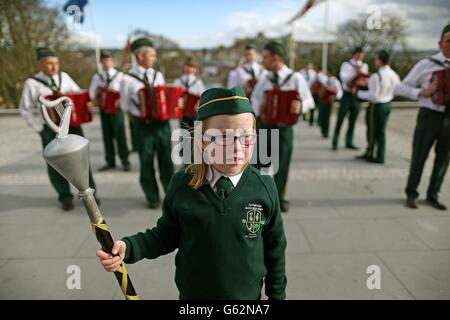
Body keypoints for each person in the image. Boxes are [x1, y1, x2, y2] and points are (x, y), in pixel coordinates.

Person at [96, 86, 287, 300]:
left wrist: (277, 296)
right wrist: (128, 247)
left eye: (247, 137)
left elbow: (275, 249)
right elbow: (167, 234)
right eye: (223, 137)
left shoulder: (264, 187)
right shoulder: (182, 184)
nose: (237, 148)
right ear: (202, 140)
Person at [19, 47, 98, 211]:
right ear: (40, 64)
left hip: (73, 125)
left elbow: (78, 94)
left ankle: (90, 193)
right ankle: (65, 197)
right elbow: (25, 109)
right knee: (56, 164)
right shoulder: (32, 83)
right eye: (49, 64)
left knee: (82, 159)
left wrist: (86, 103)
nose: (54, 67)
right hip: (49, 129)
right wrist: (39, 128)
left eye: (56, 63)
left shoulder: (64, 77)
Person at [251, 40, 315, 212]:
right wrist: (260, 107)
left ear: (276, 58)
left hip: (284, 128)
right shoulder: (264, 79)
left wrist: (300, 106)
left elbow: (309, 100)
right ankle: (257, 195)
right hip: (264, 125)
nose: (262, 61)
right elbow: (255, 99)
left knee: (282, 163)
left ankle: (279, 197)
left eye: (265, 57)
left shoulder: (295, 78)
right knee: (259, 161)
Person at [395, 24, 450, 210]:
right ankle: (412, 192)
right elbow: (400, 87)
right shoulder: (426, 64)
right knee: (420, 155)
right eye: (449, 40)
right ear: (440, 43)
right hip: (429, 116)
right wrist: (422, 92)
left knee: (444, 158)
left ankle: (433, 194)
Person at [120, 38, 174, 209]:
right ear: (141, 56)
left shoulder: (158, 75)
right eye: (152, 55)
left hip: (162, 124)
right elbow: (125, 106)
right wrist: (139, 120)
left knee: (167, 160)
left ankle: (170, 193)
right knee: (146, 160)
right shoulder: (127, 79)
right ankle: (152, 196)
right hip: (143, 125)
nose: (154, 59)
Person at [355, 50, 400, 164]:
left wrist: (358, 93)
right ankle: (379, 154)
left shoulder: (377, 76)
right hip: (387, 103)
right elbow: (397, 90)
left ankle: (371, 153)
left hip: (377, 105)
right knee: (381, 131)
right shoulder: (394, 74)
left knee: (372, 130)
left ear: (380, 60)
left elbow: (373, 96)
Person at [89, 50, 130, 172]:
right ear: (101, 62)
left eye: (108, 61)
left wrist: (120, 98)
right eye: (103, 61)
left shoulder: (120, 76)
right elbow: (91, 93)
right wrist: (97, 93)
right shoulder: (97, 77)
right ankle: (110, 161)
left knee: (120, 135)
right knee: (107, 136)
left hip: (117, 110)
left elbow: (126, 92)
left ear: (111, 61)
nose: (106, 63)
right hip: (104, 109)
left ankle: (125, 161)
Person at [332, 47, 369, 150]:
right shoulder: (346, 65)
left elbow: (364, 79)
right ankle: (335, 140)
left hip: (357, 96)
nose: (360, 56)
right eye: (359, 54)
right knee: (341, 118)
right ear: (355, 54)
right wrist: (355, 73)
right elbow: (344, 78)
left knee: (353, 120)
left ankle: (349, 141)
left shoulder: (364, 66)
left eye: (362, 54)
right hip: (347, 95)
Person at [173, 56, 206, 130]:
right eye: (188, 66)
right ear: (184, 67)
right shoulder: (177, 82)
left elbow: (204, 96)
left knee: (196, 136)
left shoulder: (198, 83)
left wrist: (199, 103)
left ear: (196, 69)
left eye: (192, 67)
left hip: (195, 115)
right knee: (183, 137)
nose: (189, 68)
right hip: (181, 115)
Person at [317, 68, 343, 138]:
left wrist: (335, 97)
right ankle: (323, 130)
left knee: (327, 117)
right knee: (322, 115)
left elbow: (339, 91)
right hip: (323, 100)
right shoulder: (325, 79)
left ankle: (326, 132)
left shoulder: (335, 81)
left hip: (329, 101)